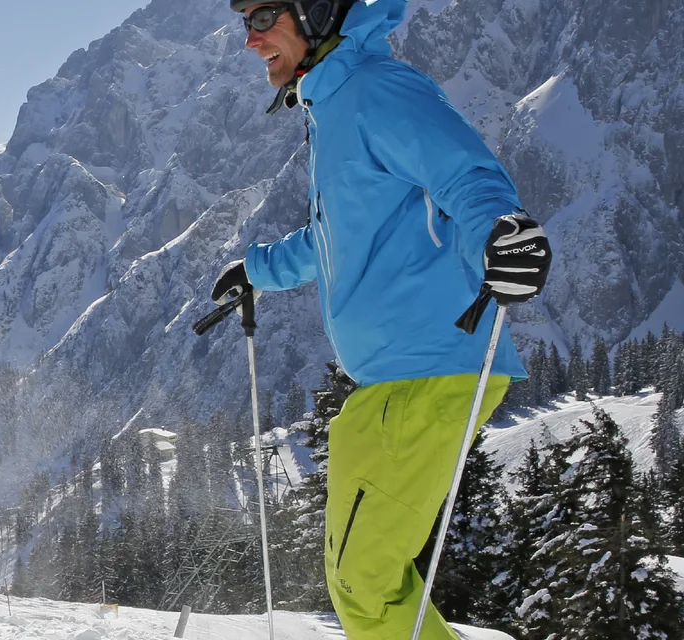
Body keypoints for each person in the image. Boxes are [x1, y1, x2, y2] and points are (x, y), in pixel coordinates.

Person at [217, 1, 553, 638]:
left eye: (264, 16)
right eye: (246, 24)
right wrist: (255, 271)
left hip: (429, 370)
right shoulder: (334, 104)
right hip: (387, 384)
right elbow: (334, 234)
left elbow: (468, 176)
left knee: (365, 585)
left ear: (315, 10)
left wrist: (502, 233)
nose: (251, 40)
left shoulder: (377, 89)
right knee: (357, 582)